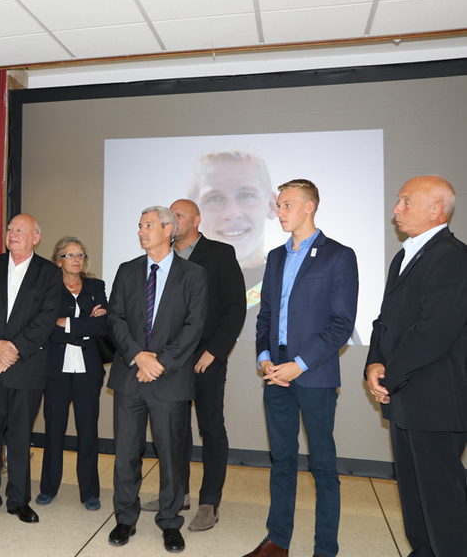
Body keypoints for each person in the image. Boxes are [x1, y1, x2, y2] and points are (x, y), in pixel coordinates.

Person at [245, 179, 358, 557]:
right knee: (282, 461)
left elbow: (342, 324)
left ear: (309, 206)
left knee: (323, 466)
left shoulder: (339, 256)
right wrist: (264, 358)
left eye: (286, 205)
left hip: (314, 376)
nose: (278, 212)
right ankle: (277, 541)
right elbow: (265, 317)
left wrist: (299, 364)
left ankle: (325, 548)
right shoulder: (275, 257)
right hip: (274, 373)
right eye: (278, 205)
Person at [365, 175, 467, 557]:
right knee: (412, 490)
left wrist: (389, 373)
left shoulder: (453, 257)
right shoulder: (405, 254)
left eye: (406, 201)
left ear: (436, 209)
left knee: (443, 497)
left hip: (437, 401)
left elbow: (434, 332)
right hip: (407, 395)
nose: (396, 209)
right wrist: (373, 362)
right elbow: (385, 319)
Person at [107, 206, 208, 553]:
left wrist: (160, 363)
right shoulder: (127, 270)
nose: (140, 231)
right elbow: (115, 318)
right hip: (130, 375)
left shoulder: (193, 274)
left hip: (170, 378)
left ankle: (169, 520)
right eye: (139, 226)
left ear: (168, 229)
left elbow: (194, 327)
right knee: (125, 452)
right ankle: (125, 518)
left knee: (171, 454)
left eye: (148, 225)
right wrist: (139, 356)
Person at [141, 200, 246, 531]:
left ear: (197, 220)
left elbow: (236, 307)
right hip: (170, 359)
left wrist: (215, 351)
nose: (174, 219)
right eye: (171, 215)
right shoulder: (163, 258)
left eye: (181, 214)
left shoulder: (220, 254)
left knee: (211, 427)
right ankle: (177, 493)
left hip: (205, 358)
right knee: (174, 428)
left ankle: (209, 502)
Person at [0, 213, 61, 525]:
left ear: (36, 237)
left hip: (26, 369)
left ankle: (19, 501)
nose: (13, 233)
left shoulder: (49, 272)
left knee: (20, 438)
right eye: (10, 228)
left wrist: (14, 349)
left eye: (20, 229)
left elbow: (46, 319)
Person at [36, 236, 109, 511]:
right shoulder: (49, 287)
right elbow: (45, 327)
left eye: (80, 254)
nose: (77, 259)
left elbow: (102, 327)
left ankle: (89, 492)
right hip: (56, 368)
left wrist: (65, 324)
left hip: (88, 369)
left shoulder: (95, 286)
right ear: (59, 261)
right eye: (70, 255)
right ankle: (48, 487)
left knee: (88, 431)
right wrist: (83, 323)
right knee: (54, 429)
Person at [188, 148, 277, 340]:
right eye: (214, 198)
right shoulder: (181, 281)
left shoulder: (289, 285)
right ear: (194, 214)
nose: (231, 213)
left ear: (271, 205)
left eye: (246, 195)